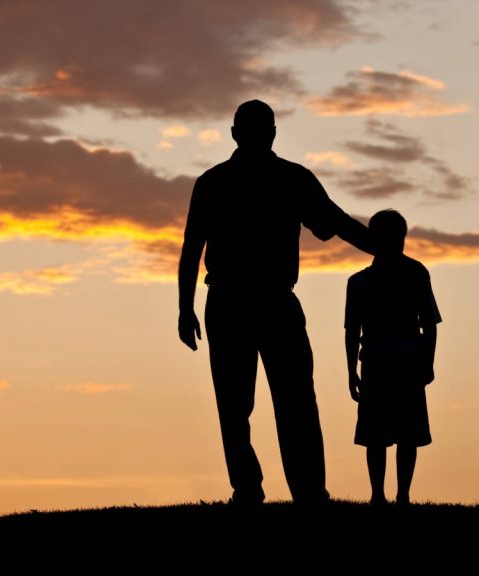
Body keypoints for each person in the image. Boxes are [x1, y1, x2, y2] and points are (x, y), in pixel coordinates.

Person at [178, 99, 374, 506]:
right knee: (269, 401)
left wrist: (186, 307)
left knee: (269, 400)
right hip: (248, 300)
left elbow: (333, 220)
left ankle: (283, 490)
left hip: (249, 301)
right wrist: (185, 308)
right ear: (268, 134)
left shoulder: (228, 181)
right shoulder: (278, 178)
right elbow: (192, 246)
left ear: (241, 134)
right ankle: (283, 490)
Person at [344, 209, 441, 506]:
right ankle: (382, 496)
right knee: (381, 435)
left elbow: (429, 323)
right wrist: (351, 371)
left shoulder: (413, 274)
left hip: (402, 363)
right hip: (381, 363)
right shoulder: (362, 282)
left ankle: (399, 496)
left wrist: (427, 362)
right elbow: (352, 330)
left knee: (401, 434)